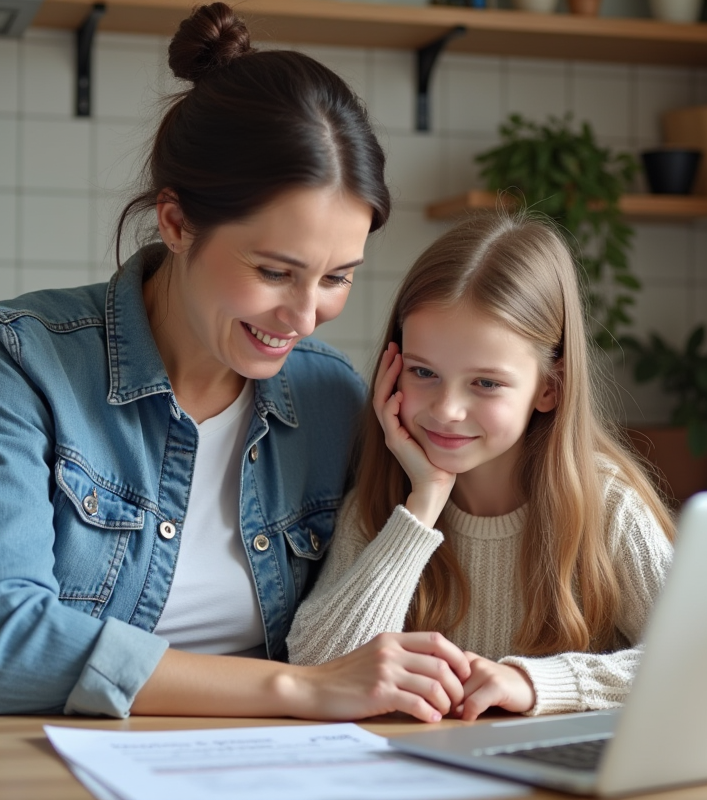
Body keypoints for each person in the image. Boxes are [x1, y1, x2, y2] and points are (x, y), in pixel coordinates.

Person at [0, 2, 471, 722]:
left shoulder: (331, 398)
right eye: (275, 271)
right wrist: (302, 689)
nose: (303, 316)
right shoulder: (17, 357)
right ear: (176, 222)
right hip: (3, 759)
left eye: (337, 278)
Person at [286, 212, 677, 720]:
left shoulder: (607, 505)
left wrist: (534, 683)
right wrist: (423, 504)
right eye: (423, 372)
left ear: (549, 388)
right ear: (392, 370)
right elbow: (317, 668)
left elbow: (705, 658)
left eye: (486, 383)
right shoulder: (384, 504)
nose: (447, 409)